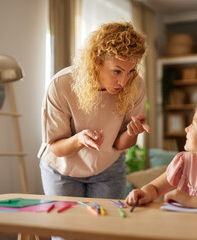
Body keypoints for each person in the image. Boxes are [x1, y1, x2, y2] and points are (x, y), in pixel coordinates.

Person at [38, 21, 150, 201]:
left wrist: (130, 132)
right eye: (117, 71)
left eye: (130, 71)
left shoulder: (135, 86)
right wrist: (79, 139)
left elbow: (120, 145)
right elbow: (56, 148)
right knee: (64, 229)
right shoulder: (62, 84)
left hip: (109, 168)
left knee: (105, 228)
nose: (124, 81)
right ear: (96, 61)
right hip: (62, 169)